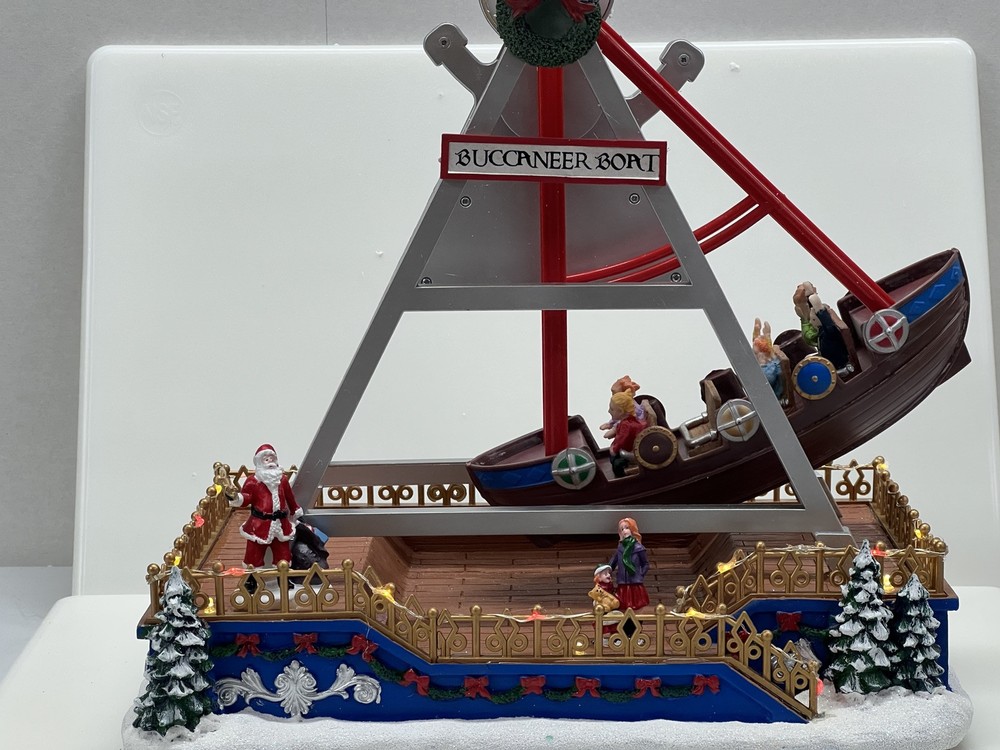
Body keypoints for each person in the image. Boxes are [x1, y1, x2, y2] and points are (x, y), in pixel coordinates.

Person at [225, 444, 303, 592]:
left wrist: (295, 510)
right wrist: (236, 497)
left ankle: (283, 578)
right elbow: (246, 498)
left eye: (272, 458)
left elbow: (289, 497)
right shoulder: (253, 481)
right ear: (260, 462)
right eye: (266, 459)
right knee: (253, 554)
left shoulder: (282, 480)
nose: (270, 462)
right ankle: (251, 580)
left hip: (280, 524)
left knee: (283, 554)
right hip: (259, 525)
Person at [608, 517, 650, 611]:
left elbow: (645, 564)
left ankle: (637, 617)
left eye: (627, 528)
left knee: (637, 604)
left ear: (632, 529)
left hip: (635, 582)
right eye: (622, 529)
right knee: (622, 604)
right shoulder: (620, 548)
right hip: (622, 581)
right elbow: (613, 562)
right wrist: (606, 570)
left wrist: (640, 574)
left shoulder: (639, 548)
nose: (624, 531)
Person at [607, 391, 646, 478]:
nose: (609, 411)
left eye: (612, 409)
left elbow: (621, 439)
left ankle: (625, 476)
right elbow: (619, 432)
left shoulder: (626, 424)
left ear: (621, 412)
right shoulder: (627, 421)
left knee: (616, 464)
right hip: (630, 448)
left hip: (632, 452)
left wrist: (614, 449)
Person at [752, 318, 784, 399]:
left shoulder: (770, 369)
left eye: (756, 353)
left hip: (774, 397)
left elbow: (766, 381)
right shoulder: (766, 365)